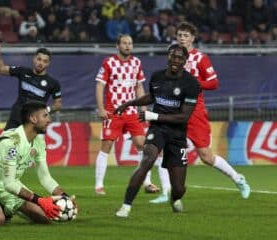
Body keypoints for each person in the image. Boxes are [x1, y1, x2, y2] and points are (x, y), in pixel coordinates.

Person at [149, 22, 251, 204]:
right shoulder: (173, 57)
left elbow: (213, 83)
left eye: (185, 36)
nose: (182, 38)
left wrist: (193, 83)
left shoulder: (200, 58)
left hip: (195, 111)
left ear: (193, 38)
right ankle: (166, 192)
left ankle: (238, 179)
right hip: (172, 109)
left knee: (206, 156)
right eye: (179, 35)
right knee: (163, 150)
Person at [115, 44, 201, 217]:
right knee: (147, 159)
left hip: (177, 135)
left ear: (185, 61)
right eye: (172, 56)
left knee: (179, 188)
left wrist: (152, 116)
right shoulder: (157, 77)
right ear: (168, 57)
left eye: (179, 58)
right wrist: (130, 103)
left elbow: (183, 117)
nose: (175, 60)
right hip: (158, 129)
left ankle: (175, 198)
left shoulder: (191, 84)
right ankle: (126, 206)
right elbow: (153, 97)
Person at [0, 101, 75, 225]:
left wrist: (65, 197)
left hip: (10, 184)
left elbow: (45, 178)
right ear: (33, 119)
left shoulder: (39, 141)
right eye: (45, 116)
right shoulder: (11, 144)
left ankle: (6, 208)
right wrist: (40, 200)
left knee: (45, 218)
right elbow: (10, 184)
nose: (49, 120)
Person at [94, 34, 159, 195]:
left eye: (130, 43)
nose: (128, 46)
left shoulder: (136, 63)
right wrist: (101, 109)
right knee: (106, 146)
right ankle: (99, 185)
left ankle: (147, 183)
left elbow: (139, 87)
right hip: (113, 111)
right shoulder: (109, 62)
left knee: (143, 146)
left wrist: (143, 108)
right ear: (118, 45)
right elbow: (100, 86)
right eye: (124, 43)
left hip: (131, 111)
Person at [0, 42, 62, 130]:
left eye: (45, 61)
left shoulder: (53, 83)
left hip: (34, 123)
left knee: (28, 144)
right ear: (34, 59)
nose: (41, 63)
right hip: (16, 117)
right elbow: (0, 69)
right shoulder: (23, 71)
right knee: (6, 143)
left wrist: (46, 110)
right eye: (39, 59)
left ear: (48, 64)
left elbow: (58, 104)